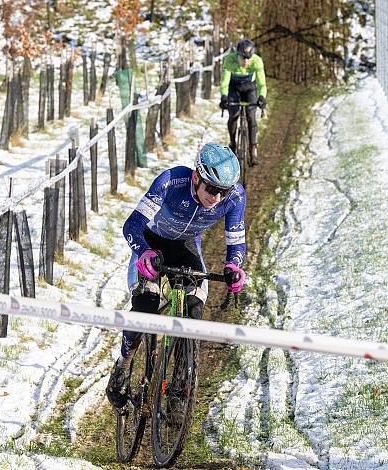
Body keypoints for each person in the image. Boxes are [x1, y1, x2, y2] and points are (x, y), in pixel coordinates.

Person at [106, 143, 247, 408]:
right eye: (211, 189)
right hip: (151, 242)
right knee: (145, 306)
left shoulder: (235, 197)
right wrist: (145, 252)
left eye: (223, 191)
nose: (216, 198)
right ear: (196, 178)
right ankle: (124, 363)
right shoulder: (172, 181)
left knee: (194, 308)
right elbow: (132, 225)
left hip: (185, 247)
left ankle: (180, 386)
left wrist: (234, 266)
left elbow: (236, 243)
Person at [219, 38, 267, 166]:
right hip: (233, 88)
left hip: (250, 88)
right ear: (237, 55)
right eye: (243, 58)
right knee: (233, 115)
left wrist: (262, 97)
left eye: (248, 58)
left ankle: (253, 150)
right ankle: (233, 143)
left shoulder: (257, 61)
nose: (246, 61)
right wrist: (224, 97)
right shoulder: (230, 60)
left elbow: (262, 83)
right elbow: (224, 82)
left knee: (251, 117)